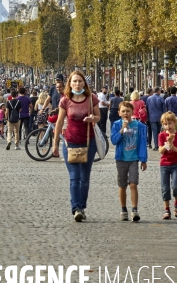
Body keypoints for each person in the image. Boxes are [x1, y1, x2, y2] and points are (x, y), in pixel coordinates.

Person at [52, 71, 100, 222]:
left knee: (85, 178)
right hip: (70, 142)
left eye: (80, 81)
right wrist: (55, 144)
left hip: (88, 142)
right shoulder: (65, 100)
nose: (77, 84)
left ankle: (81, 206)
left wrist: (93, 118)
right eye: (75, 81)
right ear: (70, 83)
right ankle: (76, 209)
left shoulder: (91, 99)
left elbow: (99, 116)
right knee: (74, 178)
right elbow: (59, 122)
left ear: (84, 83)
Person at [110, 101, 148, 222]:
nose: (126, 113)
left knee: (133, 184)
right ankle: (123, 209)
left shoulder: (140, 126)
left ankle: (134, 210)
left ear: (133, 112)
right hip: (121, 158)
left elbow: (142, 143)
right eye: (123, 111)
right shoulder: (116, 124)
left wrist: (143, 160)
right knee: (122, 185)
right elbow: (114, 141)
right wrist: (122, 130)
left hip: (134, 159)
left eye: (128, 111)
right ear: (119, 113)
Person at [158, 111, 177, 219]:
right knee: (165, 188)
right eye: (165, 124)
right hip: (164, 164)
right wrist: (167, 145)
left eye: (170, 123)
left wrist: (173, 147)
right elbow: (160, 150)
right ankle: (166, 209)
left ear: (175, 123)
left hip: (175, 164)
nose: (167, 126)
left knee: (175, 186)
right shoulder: (161, 135)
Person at [146, 87, 167, 151]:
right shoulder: (161, 99)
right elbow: (164, 110)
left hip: (151, 117)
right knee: (159, 131)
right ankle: (158, 144)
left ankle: (156, 146)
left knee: (154, 131)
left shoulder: (149, 98)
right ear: (158, 91)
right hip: (160, 117)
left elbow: (146, 108)